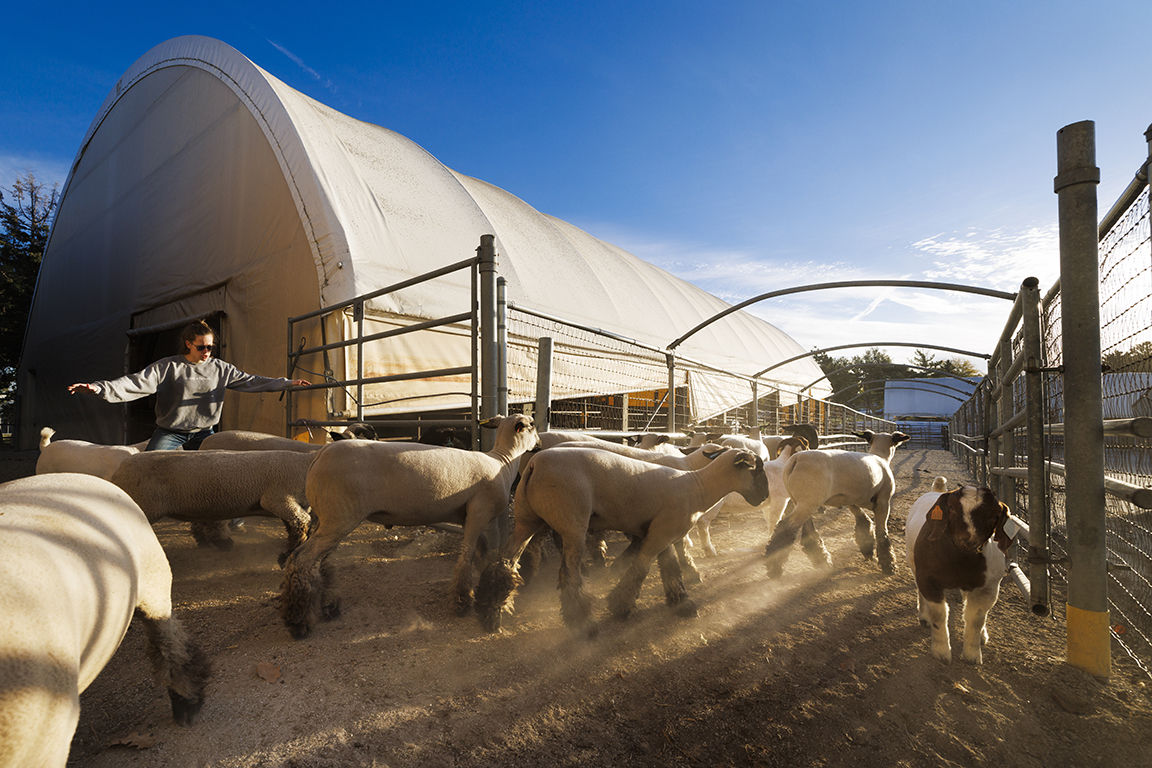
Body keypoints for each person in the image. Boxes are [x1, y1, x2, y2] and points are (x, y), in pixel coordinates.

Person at [68, 320, 310, 452]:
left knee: (219, 474)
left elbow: (252, 381)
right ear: (188, 344)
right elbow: (136, 382)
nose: (207, 352)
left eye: (210, 347)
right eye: (201, 347)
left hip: (204, 433)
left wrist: (286, 383)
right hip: (170, 432)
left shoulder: (220, 368)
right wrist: (99, 388)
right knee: (147, 468)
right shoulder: (167, 367)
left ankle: (232, 521)